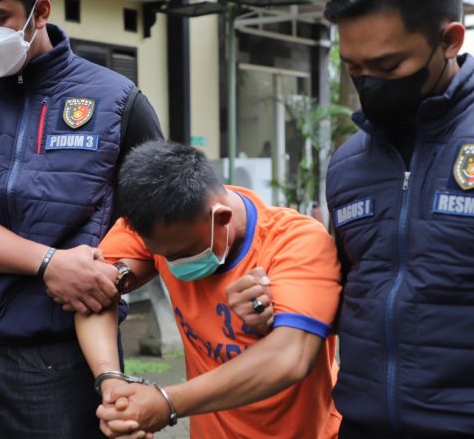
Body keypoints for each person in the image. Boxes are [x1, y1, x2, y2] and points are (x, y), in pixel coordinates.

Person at [0, 0, 163, 436]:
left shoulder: (117, 101)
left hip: (60, 357)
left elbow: (162, 225)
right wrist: (49, 263)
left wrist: (110, 278)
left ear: (39, 12)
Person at [324, 0, 474, 437]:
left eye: (388, 68)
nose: (370, 85)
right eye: (354, 68)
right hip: (365, 427)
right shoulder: (348, 164)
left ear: (450, 40)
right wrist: (273, 304)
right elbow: (354, 292)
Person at [77, 141, 342, 439]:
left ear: (222, 218)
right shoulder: (157, 222)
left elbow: (289, 357)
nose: (173, 263)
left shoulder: (297, 241)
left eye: (182, 252)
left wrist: (166, 403)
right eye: (161, 255)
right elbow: (90, 292)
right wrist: (111, 381)